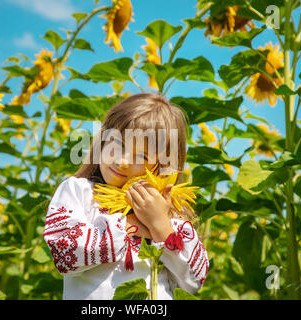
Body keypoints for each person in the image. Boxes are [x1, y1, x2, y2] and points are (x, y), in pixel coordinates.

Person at [43, 92, 209, 300]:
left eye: (141, 156)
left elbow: (195, 280)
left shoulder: (169, 210)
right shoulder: (80, 192)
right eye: (117, 143)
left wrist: (160, 225)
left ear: (164, 166)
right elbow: (64, 253)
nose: (122, 161)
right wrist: (131, 225)